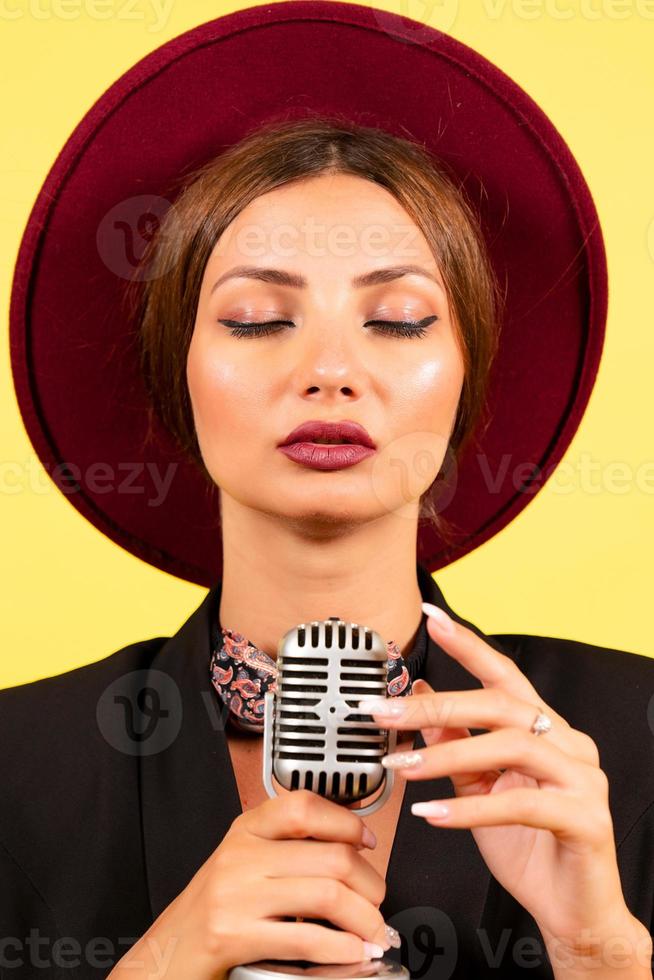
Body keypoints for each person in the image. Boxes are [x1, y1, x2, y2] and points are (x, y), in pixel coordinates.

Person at [3, 5, 653, 979]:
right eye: (260, 318)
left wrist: (600, 950)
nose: (332, 370)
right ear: (177, 374)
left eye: (396, 319)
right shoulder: (19, 764)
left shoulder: (631, 736)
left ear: (469, 374)